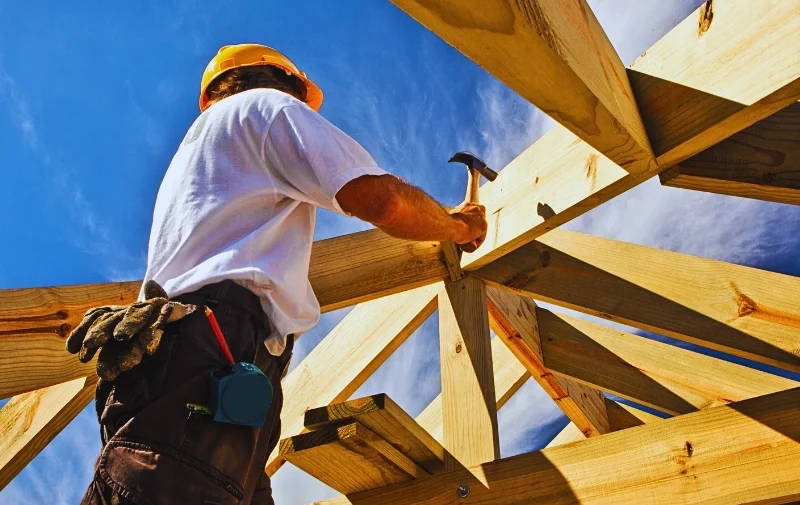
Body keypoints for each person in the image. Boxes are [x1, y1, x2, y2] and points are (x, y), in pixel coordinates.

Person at [74, 43, 487, 505]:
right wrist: (458, 225)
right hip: (217, 349)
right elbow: (383, 200)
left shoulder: (202, 157)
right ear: (286, 84)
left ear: (209, 95)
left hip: (198, 363)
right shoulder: (265, 107)